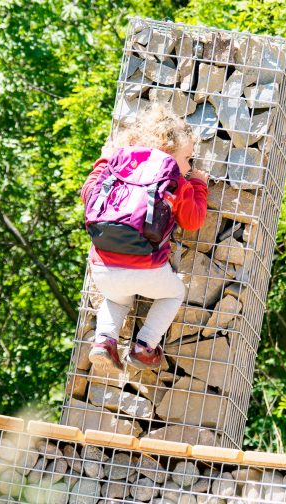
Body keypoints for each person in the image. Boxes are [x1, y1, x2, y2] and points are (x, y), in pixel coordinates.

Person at [80, 103, 209, 373]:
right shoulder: (174, 178)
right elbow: (193, 221)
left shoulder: (117, 164)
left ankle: (104, 340)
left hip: (102, 266)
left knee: (116, 299)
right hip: (147, 268)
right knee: (174, 293)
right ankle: (145, 346)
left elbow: (89, 193)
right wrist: (198, 184)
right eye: (187, 158)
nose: (188, 165)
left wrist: (104, 160)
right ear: (170, 154)